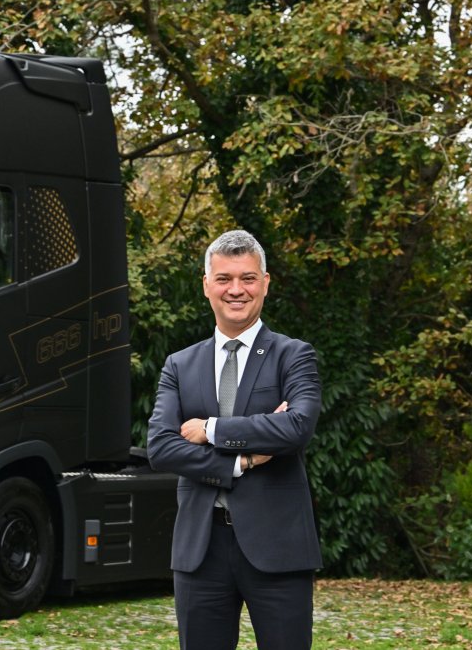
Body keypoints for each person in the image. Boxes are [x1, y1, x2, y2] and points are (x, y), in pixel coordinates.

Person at [147, 229, 322, 650]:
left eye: (247, 278)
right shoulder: (179, 365)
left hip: (278, 547)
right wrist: (239, 462)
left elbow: (297, 427)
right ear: (206, 285)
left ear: (265, 283)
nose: (236, 290)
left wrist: (211, 429)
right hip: (201, 549)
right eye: (224, 278)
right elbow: (161, 447)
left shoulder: (293, 355)